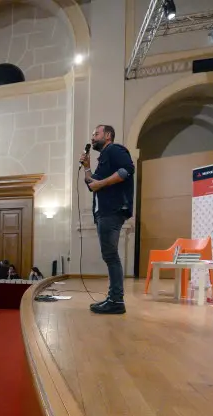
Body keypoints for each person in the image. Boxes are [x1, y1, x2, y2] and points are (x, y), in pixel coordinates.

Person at [79, 124, 135, 315]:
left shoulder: (114, 150)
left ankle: (116, 301)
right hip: (104, 211)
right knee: (109, 255)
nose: (92, 137)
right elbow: (92, 185)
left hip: (113, 210)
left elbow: (127, 169)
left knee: (111, 256)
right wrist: (87, 168)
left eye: (96, 134)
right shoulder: (104, 157)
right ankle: (114, 298)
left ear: (108, 135)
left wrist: (102, 183)